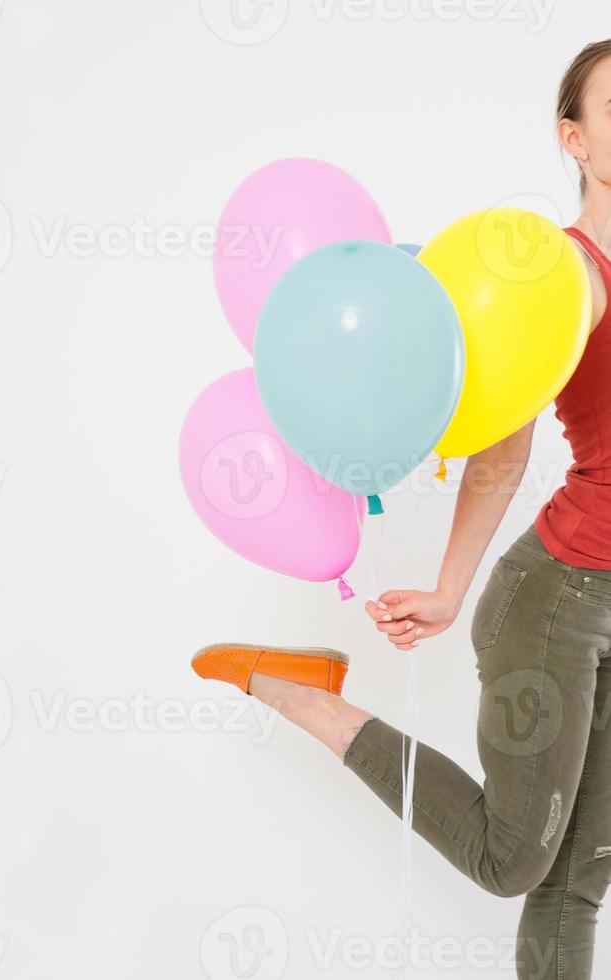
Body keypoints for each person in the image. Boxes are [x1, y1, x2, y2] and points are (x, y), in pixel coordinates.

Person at [191, 39, 611, 980]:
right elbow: (502, 439)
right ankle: (300, 696)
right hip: (559, 598)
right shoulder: (570, 275)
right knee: (515, 862)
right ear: (573, 139)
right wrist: (453, 589)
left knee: (579, 879)